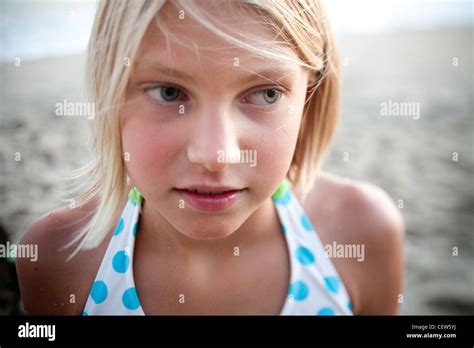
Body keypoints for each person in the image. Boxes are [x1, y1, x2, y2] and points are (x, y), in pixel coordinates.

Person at [16, 0, 405, 315]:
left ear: (310, 95)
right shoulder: (60, 257)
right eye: (169, 92)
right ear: (109, 92)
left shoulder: (362, 230)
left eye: (266, 94)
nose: (216, 155)